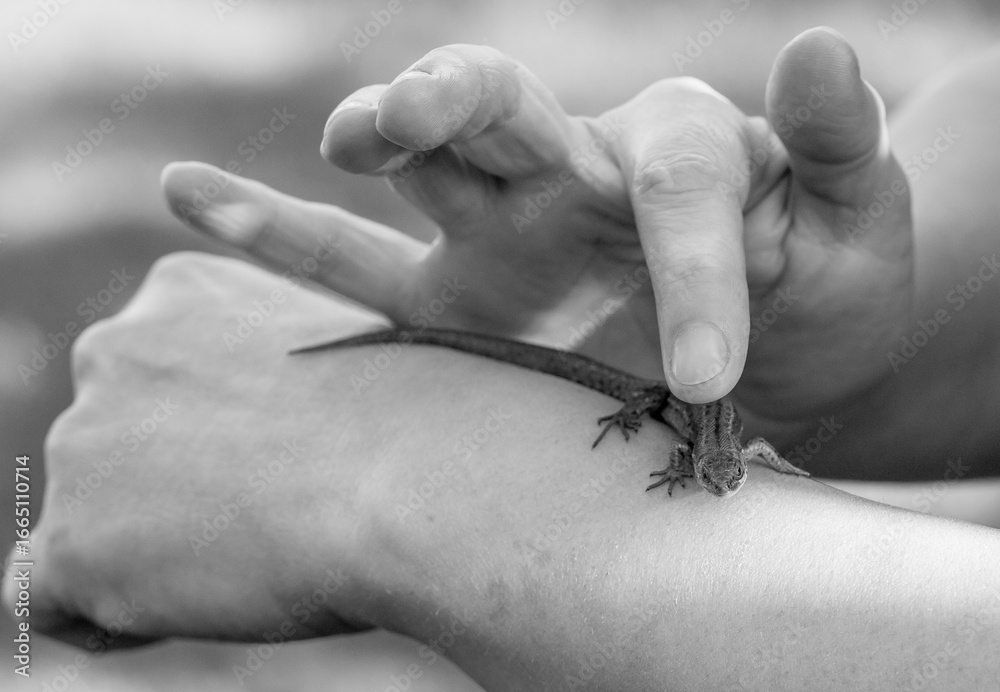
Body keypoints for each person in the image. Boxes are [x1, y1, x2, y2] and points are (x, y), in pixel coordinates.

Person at [6, 27, 1000, 690]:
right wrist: (839, 343)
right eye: (713, 469)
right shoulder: (716, 447)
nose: (713, 475)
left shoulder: (707, 465)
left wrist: (414, 480)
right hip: (688, 381)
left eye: (715, 472)